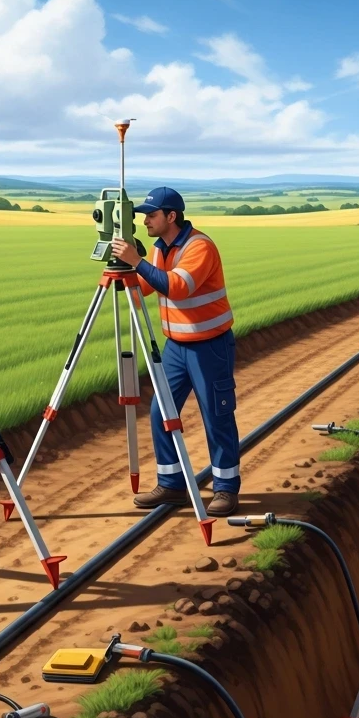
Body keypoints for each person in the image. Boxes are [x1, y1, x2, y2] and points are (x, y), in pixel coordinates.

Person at [110, 187, 240, 517]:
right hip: (175, 347)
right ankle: (172, 484)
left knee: (216, 415)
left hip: (209, 346)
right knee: (160, 413)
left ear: (171, 216)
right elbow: (150, 288)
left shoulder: (200, 247)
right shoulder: (159, 248)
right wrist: (126, 273)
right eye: (143, 216)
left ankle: (225, 488)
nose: (145, 221)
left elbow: (178, 288)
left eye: (150, 215)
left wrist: (136, 262)